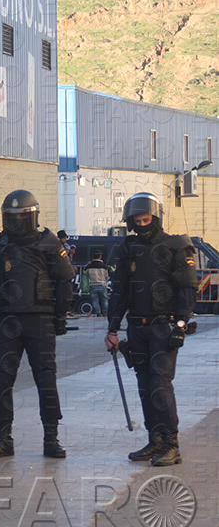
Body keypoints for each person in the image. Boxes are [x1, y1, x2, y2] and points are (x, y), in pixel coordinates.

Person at [0, 190, 74, 459]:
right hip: (8, 319)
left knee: (46, 378)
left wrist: (60, 316)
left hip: (40, 319)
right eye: (13, 217)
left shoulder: (48, 242)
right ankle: (3, 437)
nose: (17, 221)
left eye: (21, 217)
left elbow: (64, 281)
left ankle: (51, 437)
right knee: (2, 379)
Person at [105, 192, 197, 467]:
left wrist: (180, 323)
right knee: (145, 386)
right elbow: (119, 291)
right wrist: (112, 329)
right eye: (138, 220)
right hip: (137, 327)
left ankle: (171, 445)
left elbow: (187, 288)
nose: (142, 224)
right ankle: (155, 439)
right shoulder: (127, 248)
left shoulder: (176, 246)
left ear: (156, 218)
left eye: (147, 219)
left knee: (159, 385)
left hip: (163, 326)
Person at [84, 250, 110, 316]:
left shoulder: (89, 266)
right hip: (102, 285)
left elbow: (85, 272)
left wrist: (87, 264)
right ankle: (105, 312)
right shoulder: (105, 267)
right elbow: (108, 276)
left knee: (95, 300)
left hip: (93, 285)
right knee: (104, 300)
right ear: (100, 257)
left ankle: (98, 312)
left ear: (93, 256)